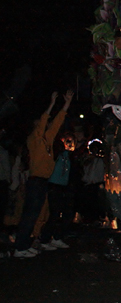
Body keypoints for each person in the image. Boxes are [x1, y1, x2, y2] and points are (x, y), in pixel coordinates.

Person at [14, 90, 73, 258]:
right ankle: (20, 248)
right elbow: (43, 122)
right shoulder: (33, 140)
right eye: (40, 124)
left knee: (36, 215)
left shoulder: (47, 140)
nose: (44, 125)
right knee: (29, 215)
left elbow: (56, 124)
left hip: (43, 182)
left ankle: (25, 245)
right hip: (35, 181)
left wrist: (66, 104)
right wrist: (51, 104)